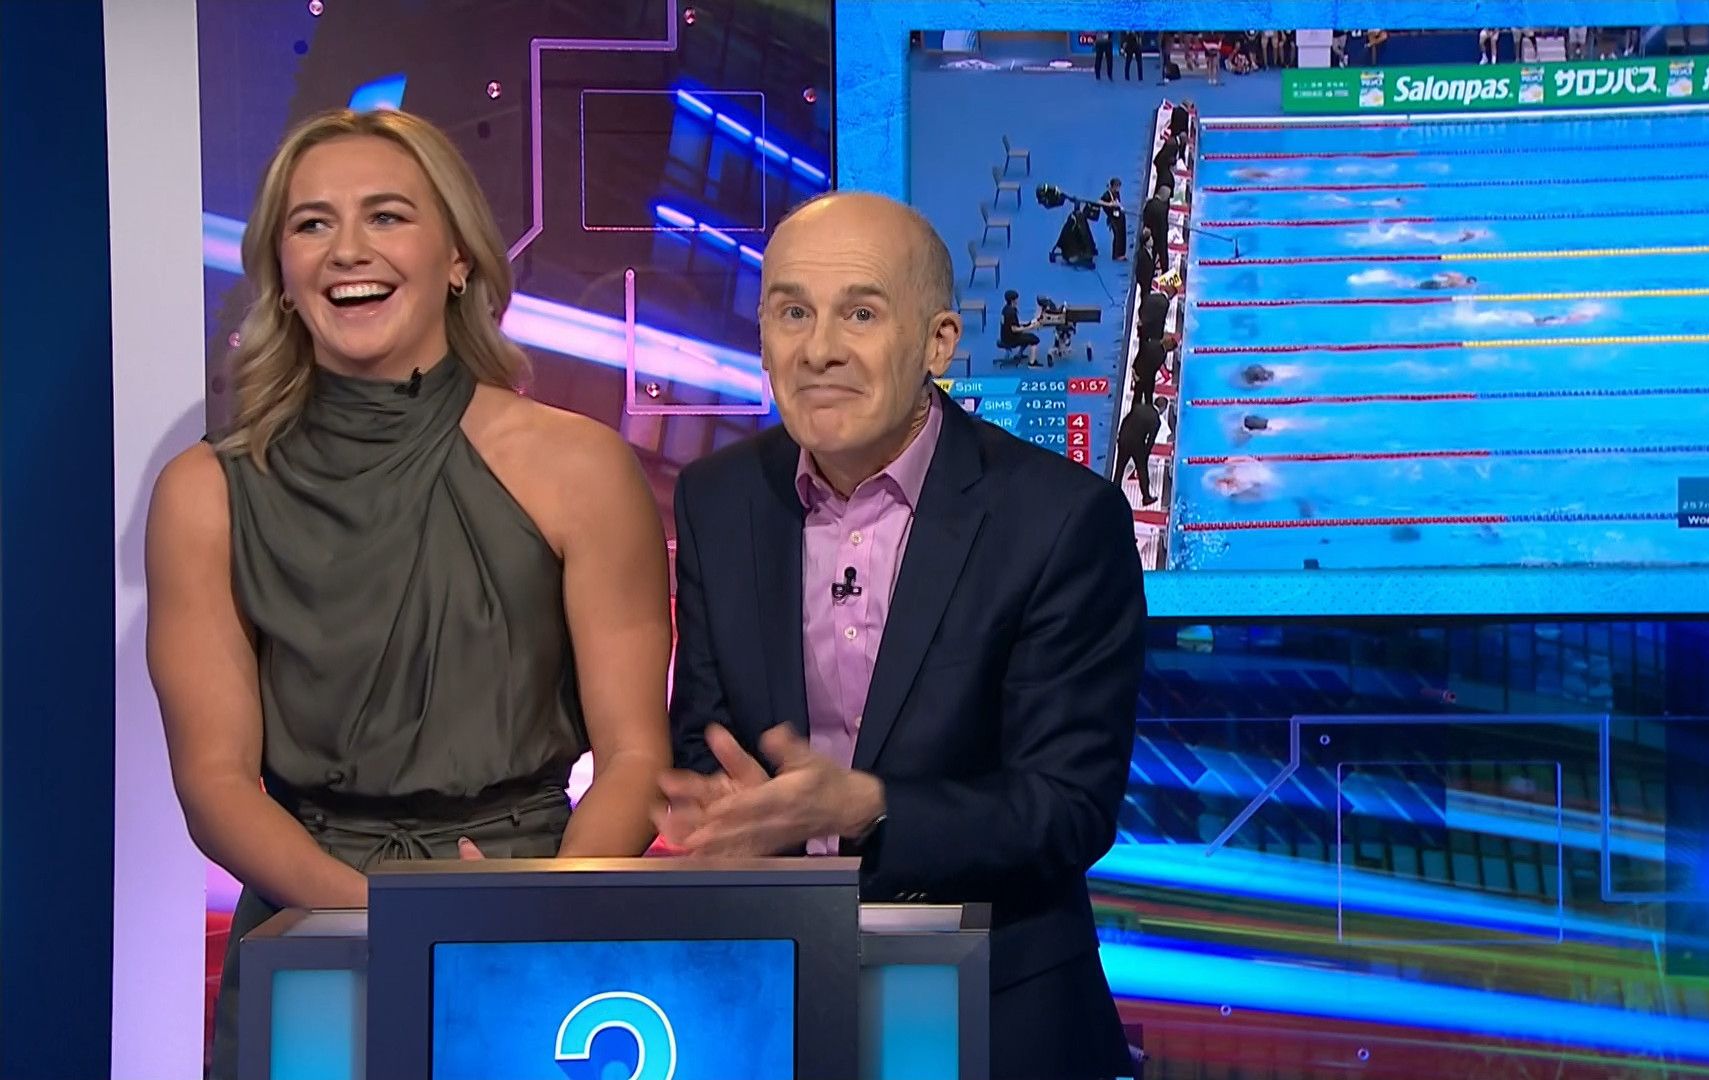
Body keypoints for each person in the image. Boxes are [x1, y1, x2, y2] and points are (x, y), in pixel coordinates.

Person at [145, 108, 672, 1080]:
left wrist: (528, 913)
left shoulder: (582, 469)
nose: (348, 249)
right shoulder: (206, 493)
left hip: (531, 926)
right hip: (311, 931)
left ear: (458, 258)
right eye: (312, 223)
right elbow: (214, 786)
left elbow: (637, 755)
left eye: (386, 216)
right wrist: (381, 918)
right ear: (283, 273)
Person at [656, 191, 1144, 1080]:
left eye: (861, 314)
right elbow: (705, 736)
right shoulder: (718, 499)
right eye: (792, 313)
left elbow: (1067, 807)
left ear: (938, 343)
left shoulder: (1060, 520)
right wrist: (724, 811)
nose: (819, 349)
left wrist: (867, 808)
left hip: (994, 1000)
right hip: (778, 997)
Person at [1114, 395, 1166, 505]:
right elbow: (1150, 441)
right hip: (1137, 445)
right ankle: (1146, 497)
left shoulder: (1139, 407)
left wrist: (1121, 435)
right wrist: (1145, 454)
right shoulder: (1156, 420)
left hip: (1124, 439)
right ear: (1163, 408)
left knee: (1119, 468)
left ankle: (1113, 492)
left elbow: (1125, 421)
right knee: (1142, 471)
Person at [999, 288, 1043, 366]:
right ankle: (1032, 363)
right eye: (1016, 299)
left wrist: (1029, 323)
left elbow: (1015, 323)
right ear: (1013, 300)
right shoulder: (1011, 312)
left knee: (1027, 336)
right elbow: (1014, 329)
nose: (1017, 300)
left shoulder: (1005, 309)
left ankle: (1019, 354)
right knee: (1034, 340)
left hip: (1004, 336)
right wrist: (1030, 327)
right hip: (1011, 339)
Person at [1142, 186, 1172, 273]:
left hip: (1151, 233)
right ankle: (1165, 272)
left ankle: (1150, 271)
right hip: (1160, 235)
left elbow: (1145, 217)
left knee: (1152, 254)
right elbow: (1163, 224)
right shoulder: (1163, 208)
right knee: (1163, 256)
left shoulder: (1149, 203)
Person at [1099, 177, 1128, 262]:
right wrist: (1109, 204)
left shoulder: (1117, 193)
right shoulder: (1107, 194)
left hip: (1119, 216)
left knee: (1122, 234)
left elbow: (1118, 202)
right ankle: (1116, 255)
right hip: (1113, 218)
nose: (1118, 188)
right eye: (1117, 186)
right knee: (1117, 235)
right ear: (1113, 186)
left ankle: (1121, 254)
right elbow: (1099, 202)